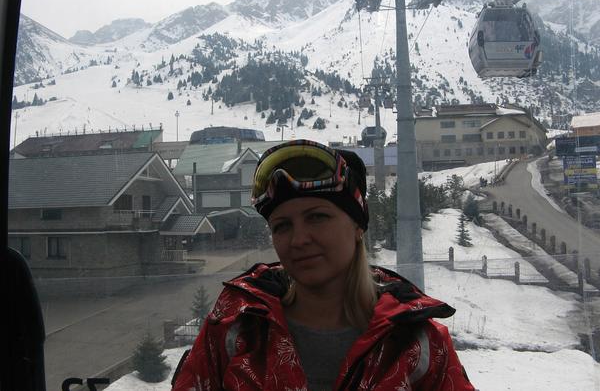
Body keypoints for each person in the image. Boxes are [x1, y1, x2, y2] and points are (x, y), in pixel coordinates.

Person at [172, 139, 474, 391]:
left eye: (317, 217)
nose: (298, 239)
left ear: (357, 226)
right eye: (282, 226)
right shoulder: (235, 330)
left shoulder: (418, 346)